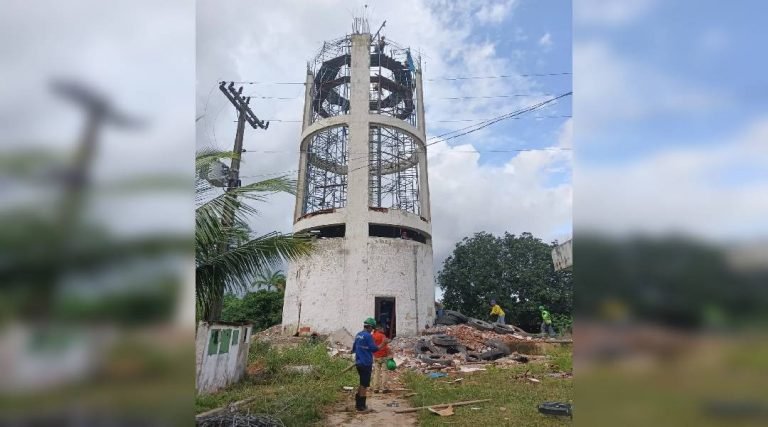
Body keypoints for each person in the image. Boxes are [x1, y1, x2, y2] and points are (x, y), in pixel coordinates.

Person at [351, 317, 380, 412]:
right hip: (366, 363)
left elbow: (353, 349)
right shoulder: (368, 336)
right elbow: (374, 349)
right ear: (370, 327)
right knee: (364, 385)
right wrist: (383, 343)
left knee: (361, 383)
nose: (372, 331)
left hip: (358, 363)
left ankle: (358, 404)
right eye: (373, 329)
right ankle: (361, 406)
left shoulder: (358, 335)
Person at [371, 322, 391, 393]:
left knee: (376, 372)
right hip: (383, 356)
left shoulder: (372, 336)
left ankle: (376, 388)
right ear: (378, 328)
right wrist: (389, 354)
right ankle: (384, 388)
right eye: (382, 328)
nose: (383, 329)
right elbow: (386, 346)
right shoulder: (382, 336)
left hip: (376, 356)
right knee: (384, 371)